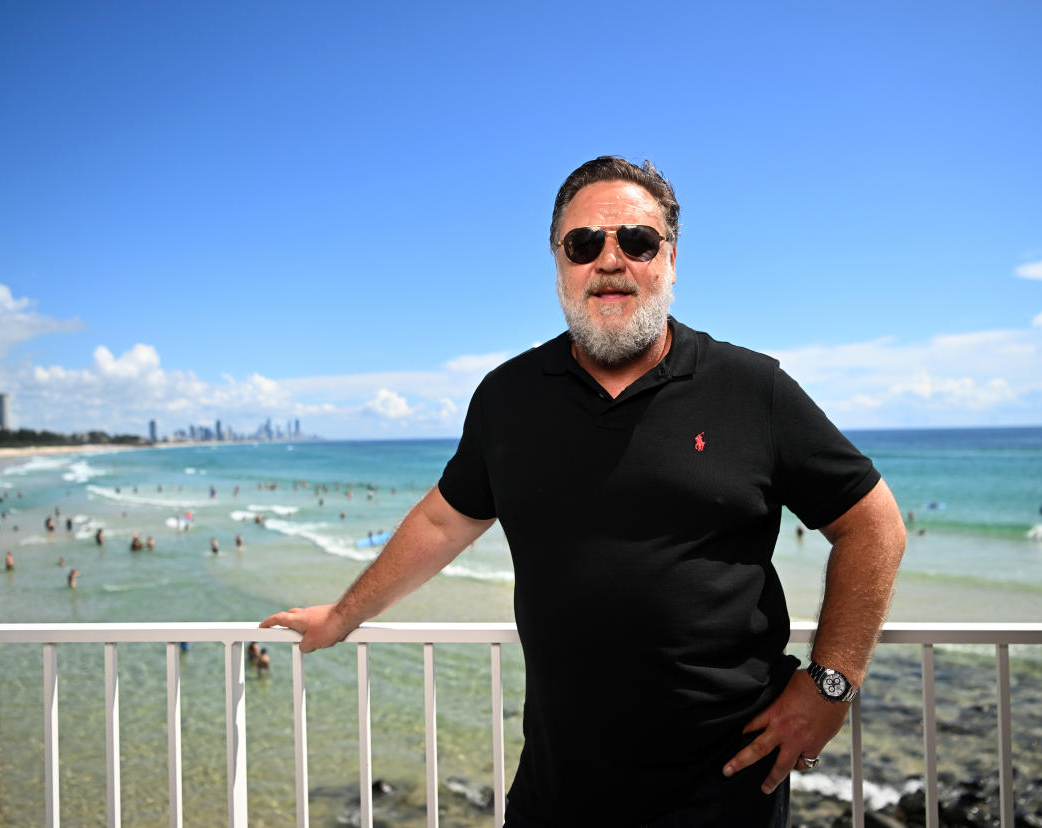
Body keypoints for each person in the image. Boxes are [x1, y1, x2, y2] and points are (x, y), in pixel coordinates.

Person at [261, 156, 905, 826]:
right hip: (557, 789)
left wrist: (831, 686)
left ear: (671, 262)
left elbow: (873, 525)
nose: (610, 259)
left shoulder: (753, 390)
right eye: (584, 244)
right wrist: (343, 617)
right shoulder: (508, 398)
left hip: (724, 792)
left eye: (637, 241)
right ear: (559, 263)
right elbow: (441, 524)